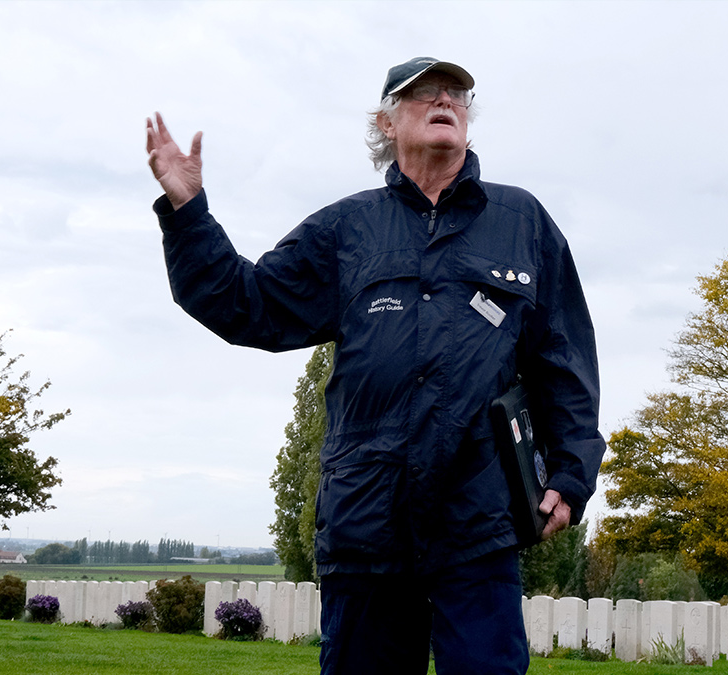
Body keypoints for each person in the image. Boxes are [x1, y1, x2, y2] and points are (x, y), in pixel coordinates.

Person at [146, 57, 604, 675]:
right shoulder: (347, 228)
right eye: (425, 93)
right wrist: (188, 211)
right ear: (386, 122)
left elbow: (565, 359)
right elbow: (245, 305)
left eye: (458, 95)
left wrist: (572, 476)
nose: (446, 100)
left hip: (479, 520)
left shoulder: (523, 223)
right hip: (367, 522)